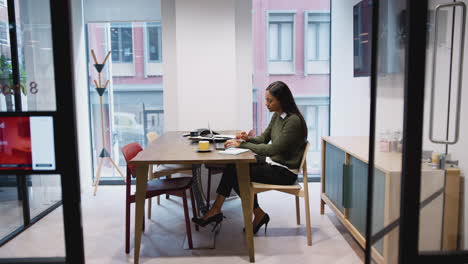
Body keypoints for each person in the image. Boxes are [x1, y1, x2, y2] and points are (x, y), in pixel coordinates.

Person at [192, 81, 308, 234]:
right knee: (234, 167)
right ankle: (252, 213)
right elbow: (263, 139)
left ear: (282, 100)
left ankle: (217, 211)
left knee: (235, 171)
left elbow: (272, 149)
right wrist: (246, 139)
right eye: (266, 99)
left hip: (284, 173)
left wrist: (241, 146)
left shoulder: (293, 121)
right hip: (274, 164)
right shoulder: (277, 116)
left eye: (270, 100)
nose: (266, 103)